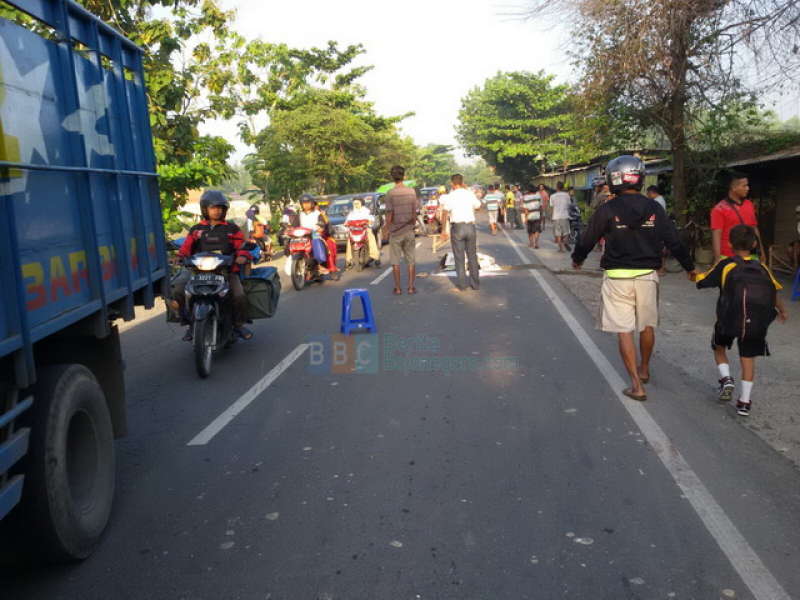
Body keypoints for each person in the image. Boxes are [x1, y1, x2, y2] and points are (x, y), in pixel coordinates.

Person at [572, 155, 697, 401]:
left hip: (617, 277)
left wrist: (578, 258)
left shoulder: (607, 209)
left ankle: (636, 385)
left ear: (613, 178)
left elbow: (587, 238)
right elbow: (674, 240)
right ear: (639, 177)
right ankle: (645, 369)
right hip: (648, 276)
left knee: (625, 330)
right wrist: (689, 267)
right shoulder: (654, 208)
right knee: (647, 325)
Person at [694, 225, 787, 416]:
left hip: (728, 319)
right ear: (754, 244)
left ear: (729, 243)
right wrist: (782, 311)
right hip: (754, 322)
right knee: (748, 357)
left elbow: (702, 281)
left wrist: (693, 273)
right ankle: (744, 402)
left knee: (718, 348)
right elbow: (775, 292)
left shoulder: (726, 264)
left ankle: (726, 379)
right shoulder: (762, 267)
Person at [173, 190, 252, 341]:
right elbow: (186, 247)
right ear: (205, 209)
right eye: (213, 207)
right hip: (198, 271)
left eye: (220, 208)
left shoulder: (231, 228)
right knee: (178, 289)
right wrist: (179, 257)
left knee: (239, 295)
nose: (217, 211)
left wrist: (242, 255)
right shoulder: (197, 229)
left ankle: (238, 324)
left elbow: (241, 245)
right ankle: (189, 323)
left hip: (225, 271)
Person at [440, 173, 482, 292]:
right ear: (462, 182)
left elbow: (444, 212)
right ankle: (475, 284)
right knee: (472, 256)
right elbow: (478, 206)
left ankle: (463, 285)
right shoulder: (469, 193)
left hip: (457, 227)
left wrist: (443, 230)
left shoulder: (451, 196)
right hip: (470, 227)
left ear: (452, 183)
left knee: (459, 257)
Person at [383, 165, 419, 295]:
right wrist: (412, 224)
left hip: (396, 232)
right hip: (409, 230)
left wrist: (387, 229)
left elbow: (389, 214)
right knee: (411, 260)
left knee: (395, 261)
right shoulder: (411, 192)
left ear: (392, 177)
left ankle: (398, 288)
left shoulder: (390, 193)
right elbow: (414, 213)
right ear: (404, 176)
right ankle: (410, 287)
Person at [285, 194, 339, 279]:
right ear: (301, 204)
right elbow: (294, 225)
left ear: (312, 203)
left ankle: (329, 269)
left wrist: (320, 227)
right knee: (289, 243)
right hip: (302, 236)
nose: (306, 205)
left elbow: (322, 224)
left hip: (314, 234)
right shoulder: (299, 215)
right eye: (304, 203)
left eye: (308, 202)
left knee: (324, 245)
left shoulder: (318, 214)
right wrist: (289, 230)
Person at [711, 172, 761, 263]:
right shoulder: (719, 209)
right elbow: (716, 234)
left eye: (748, 185)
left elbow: (754, 228)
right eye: (744, 186)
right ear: (733, 188)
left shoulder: (749, 204)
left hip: (750, 255)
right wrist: (717, 258)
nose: (748, 188)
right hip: (728, 256)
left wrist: (762, 252)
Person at [345, 197, 379, 267]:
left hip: (365, 230)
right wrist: (346, 225)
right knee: (349, 242)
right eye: (354, 203)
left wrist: (369, 222)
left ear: (361, 203)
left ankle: (376, 258)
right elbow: (347, 222)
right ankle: (348, 261)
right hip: (354, 231)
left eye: (357, 203)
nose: (356, 205)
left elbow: (371, 219)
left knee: (371, 239)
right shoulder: (352, 213)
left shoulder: (366, 211)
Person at [550, 182, 572, 252]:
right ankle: (565, 241)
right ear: (563, 187)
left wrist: (551, 216)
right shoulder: (567, 195)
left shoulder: (552, 196)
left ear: (556, 187)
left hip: (556, 217)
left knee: (558, 233)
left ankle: (561, 249)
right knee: (566, 232)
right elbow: (569, 205)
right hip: (565, 216)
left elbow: (552, 207)